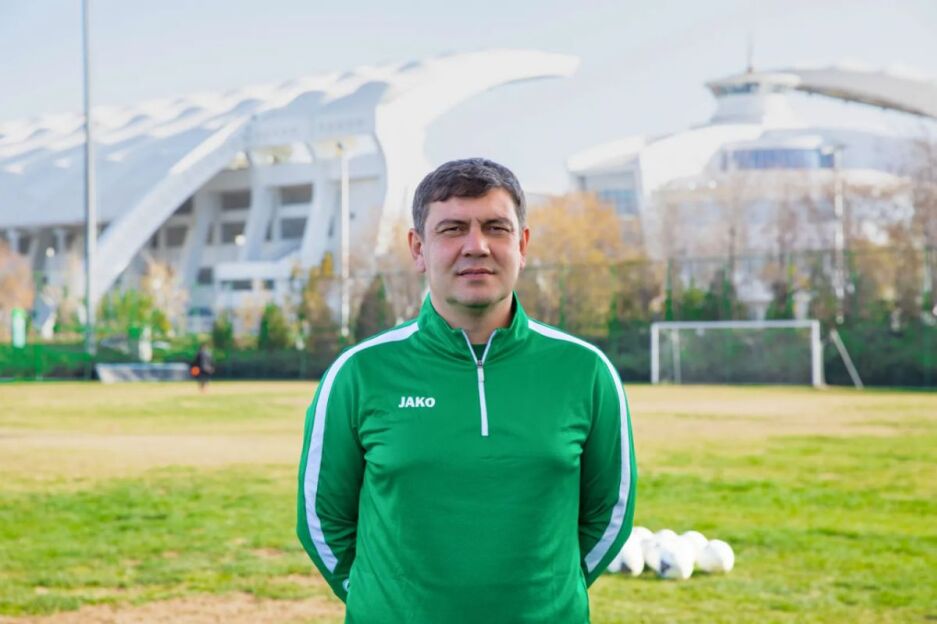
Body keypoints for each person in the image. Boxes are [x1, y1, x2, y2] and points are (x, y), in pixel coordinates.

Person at [297, 158, 636, 623]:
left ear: (522, 244)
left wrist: (549, 598)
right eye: (453, 229)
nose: (476, 246)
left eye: (496, 228)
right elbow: (321, 519)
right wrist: (385, 603)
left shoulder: (586, 370)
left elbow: (608, 514)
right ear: (418, 248)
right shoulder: (359, 373)